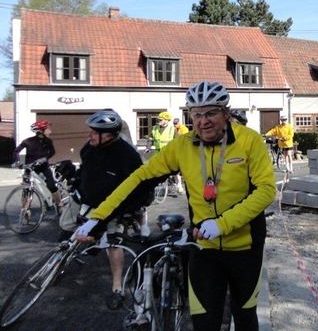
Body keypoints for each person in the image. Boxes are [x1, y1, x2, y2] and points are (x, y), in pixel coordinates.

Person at [75, 81, 276, 331]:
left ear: (226, 113)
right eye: (196, 114)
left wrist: (222, 224)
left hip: (246, 246)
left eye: (211, 112)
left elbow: (266, 190)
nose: (203, 121)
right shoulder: (182, 146)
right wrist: (99, 217)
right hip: (204, 247)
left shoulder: (249, 141)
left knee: (245, 316)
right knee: (204, 322)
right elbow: (140, 178)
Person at [70, 109, 153, 310]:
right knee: (67, 228)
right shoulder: (88, 148)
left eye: (93, 132)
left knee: (113, 242)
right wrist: (76, 181)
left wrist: (127, 210)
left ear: (108, 136)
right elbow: (84, 170)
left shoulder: (127, 155)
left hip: (114, 208)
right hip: (88, 202)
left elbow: (139, 189)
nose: (89, 135)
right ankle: (67, 255)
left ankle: (117, 287)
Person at [12, 120, 62, 212]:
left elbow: (52, 152)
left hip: (43, 167)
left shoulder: (48, 141)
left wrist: (44, 158)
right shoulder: (28, 141)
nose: (50, 131)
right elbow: (17, 151)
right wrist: (16, 161)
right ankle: (25, 211)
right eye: (48, 129)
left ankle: (59, 205)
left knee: (52, 186)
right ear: (41, 131)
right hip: (30, 167)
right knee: (26, 190)